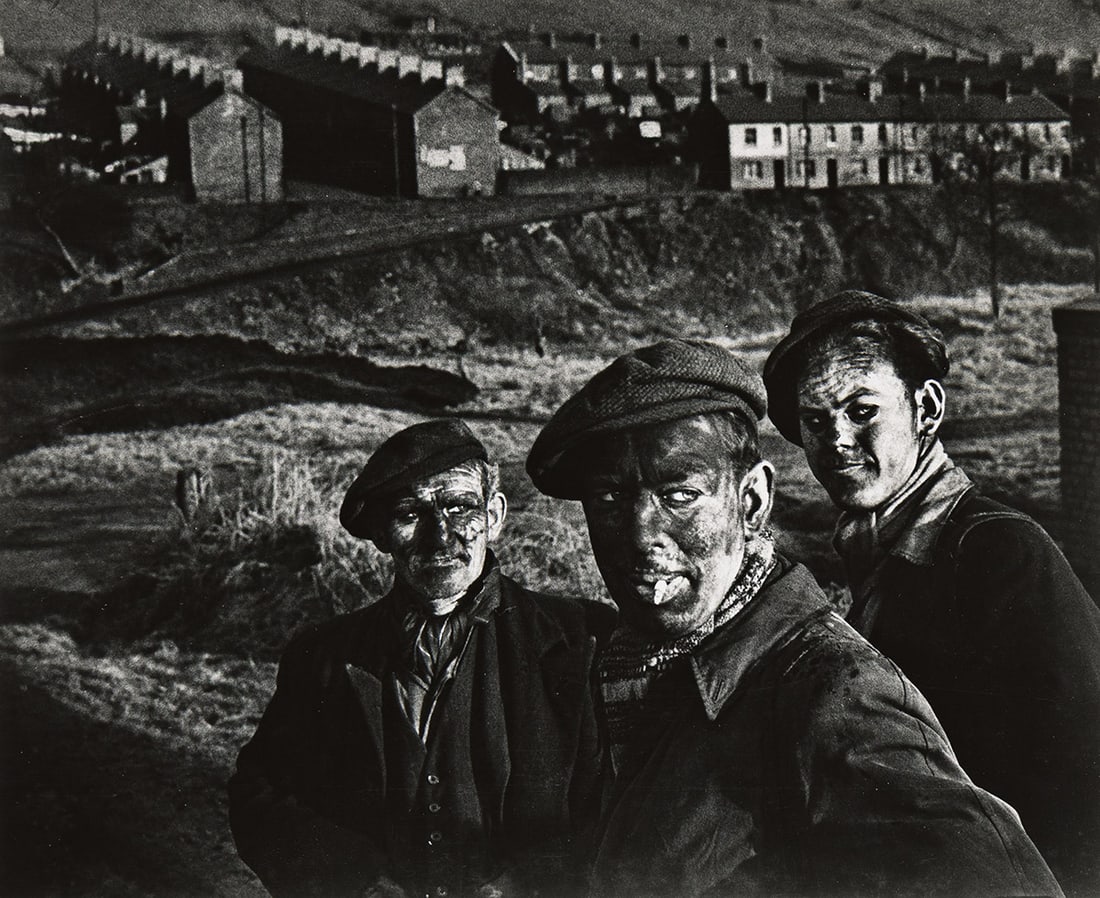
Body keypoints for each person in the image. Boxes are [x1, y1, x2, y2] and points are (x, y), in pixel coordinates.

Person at [526, 339, 1063, 898]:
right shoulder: (626, 664)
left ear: (752, 502)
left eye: (680, 495)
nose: (639, 537)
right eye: (609, 499)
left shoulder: (834, 691)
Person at [763, 290, 1100, 896]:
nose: (836, 439)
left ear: (926, 408)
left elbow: (1084, 769)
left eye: (862, 410)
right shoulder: (880, 555)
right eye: (815, 421)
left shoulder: (999, 554)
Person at [229, 419, 611, 898]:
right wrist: (357, 882)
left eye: (460, 507)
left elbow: (622, 806)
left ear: (494, 515)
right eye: (410, 513)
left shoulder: (582, 640)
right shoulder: (322, 656)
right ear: (383, 534)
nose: (440, 537)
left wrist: (528, 885)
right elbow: (259, 794)